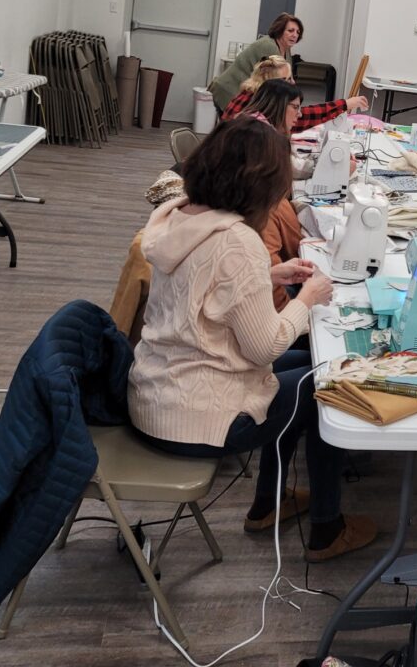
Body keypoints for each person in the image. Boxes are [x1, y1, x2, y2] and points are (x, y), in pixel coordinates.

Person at [128, 117, 377, 560]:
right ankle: (327, 529)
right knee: (328, 387)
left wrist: (266, 275)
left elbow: (202, 286)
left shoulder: (178, 216)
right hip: (196, 418)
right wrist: (309, 299)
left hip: (155, 390)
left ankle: (270, 502)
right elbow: (264, 347)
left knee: (309, 366)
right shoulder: (237, 240)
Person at [221, 54, 368, 124]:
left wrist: (345, 104)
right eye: (287, 80)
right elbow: (303, 117)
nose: (292, 83)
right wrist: (345, 104)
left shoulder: (254, 95)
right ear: (270, 82)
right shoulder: (253, 107)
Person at [207, 12, 303, 113]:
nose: (295, 35)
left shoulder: (286, 49)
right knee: (234, 127)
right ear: (280, 30)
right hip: (229, 91)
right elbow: (276, 84)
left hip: (240, 94)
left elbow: (289, 79)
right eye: (290, 31)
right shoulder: (269, 46)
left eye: (298, 32)